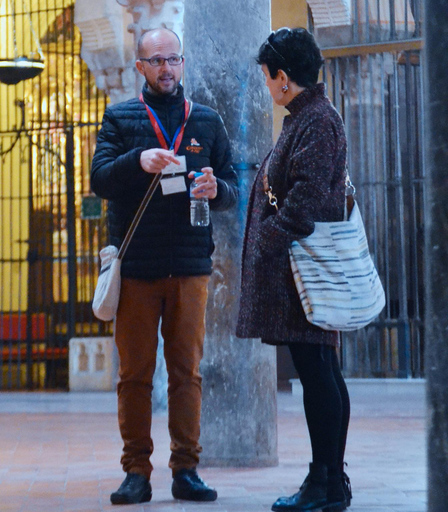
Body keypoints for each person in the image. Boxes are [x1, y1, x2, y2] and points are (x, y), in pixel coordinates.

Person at [91, 27, 238, 506]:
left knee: (186, 373)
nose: (166, 68)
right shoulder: (119, 118)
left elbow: (233, 187)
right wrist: (140, 159)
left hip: (191, 266)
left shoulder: (207, 121)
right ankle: (136, 470)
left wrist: (218, 190)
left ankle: (186, 469)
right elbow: (99, 181)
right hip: (136, 269)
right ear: (140, 67)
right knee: (134, 375)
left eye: (173, 59)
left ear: (182, 62)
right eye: (156, 61)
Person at [237, 27, 352, 512]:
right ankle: (330, 481)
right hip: (301, 271)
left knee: (319, 374)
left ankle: (324, 482)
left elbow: (303, 201)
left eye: (268, 77)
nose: (267, 86)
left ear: (283, 77)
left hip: (306, 272)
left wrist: (267, 239)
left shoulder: (317, 121)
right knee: (322, 371)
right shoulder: (306, 118)